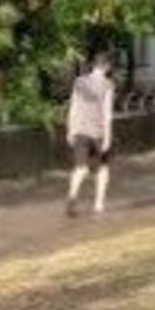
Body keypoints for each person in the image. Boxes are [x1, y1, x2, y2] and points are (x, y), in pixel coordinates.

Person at [64, 52, 115, 217]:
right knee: (102, 169)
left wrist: (70, 129)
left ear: (93, 65)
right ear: (107, 67)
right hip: (98, 132)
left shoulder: (79, 82)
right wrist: (108, 137)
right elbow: (107, 114)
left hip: (79, 130)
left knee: (81, 168)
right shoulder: (107, 85)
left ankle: (72, 196)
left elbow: (73, 107)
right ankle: (98, 205)